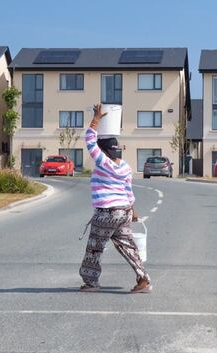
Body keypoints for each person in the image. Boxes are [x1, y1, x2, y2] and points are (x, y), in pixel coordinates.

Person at [79, 103, 151, 293]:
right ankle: (143, 278)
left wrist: (96, 119)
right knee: (128, 246)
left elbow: (89, 141)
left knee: (95, 248)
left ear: (103, 150)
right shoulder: (125, 167)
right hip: (124, 212)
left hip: (106, 213)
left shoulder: (103, 163)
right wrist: (133, 210)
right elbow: (128, 191)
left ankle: (91, 283)